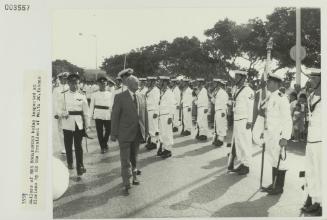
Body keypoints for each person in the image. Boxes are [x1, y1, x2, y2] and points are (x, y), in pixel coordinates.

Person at [110, 75, 148, 196]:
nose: (139, 85)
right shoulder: (120, 97)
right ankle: (126, 182)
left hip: (137, 133)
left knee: (134, 158)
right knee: (125, 159)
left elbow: (145, 116)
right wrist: (114, 133)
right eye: (136, 83)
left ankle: (134, 176)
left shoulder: (142, 96)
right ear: (129, 84)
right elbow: (115, 116)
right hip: (124, 134)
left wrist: (146, 132)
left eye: (138, 83)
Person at [258, 73, 292, 195]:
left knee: (280, 160)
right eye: (268, 82)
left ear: (277, 84)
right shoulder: (270, 97)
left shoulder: (282, 98)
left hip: (278, 135)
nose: (267, 84)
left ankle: (279, 187)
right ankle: (273, 183)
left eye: (270, 82)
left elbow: (287, 120)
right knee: (273, 159)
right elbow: (268, 117)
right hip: (270, 134)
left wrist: (285, 137)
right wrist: (264, 131)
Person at [57, 73, 90, 176]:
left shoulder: (82, 95)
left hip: (78, 123)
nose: (74, 85)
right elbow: (58, 109)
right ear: (68, 83)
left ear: (78, 84)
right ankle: (70, 162)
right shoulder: (63, 95)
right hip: (67, 123)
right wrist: (62, 113)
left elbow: (86, 112)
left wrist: (87, 125)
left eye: (76, 83)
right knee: (68, 144)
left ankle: (80, 166)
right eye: (72, 83)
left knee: (78, 146)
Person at [301, 68, 322, 216]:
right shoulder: (312, 96)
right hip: (311, 139)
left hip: (321, 140)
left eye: (314, 78)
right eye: (311, 78)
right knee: (311, 171)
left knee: (321, 173)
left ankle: (320, 204)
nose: (311, 81)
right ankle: (314, 198)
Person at [229, 70, 254, 175]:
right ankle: (241, 164)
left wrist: (250, 121)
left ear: (243, 78)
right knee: (239, 143)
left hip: (244, 120)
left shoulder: (248, 90)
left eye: (237, 76)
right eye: (235, 76)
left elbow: (251, 106)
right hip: (237, 118)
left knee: (245, 143)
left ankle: (246, 165)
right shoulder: (236, 89)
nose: (235, 78)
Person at [90, 77, 114, 154]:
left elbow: (112, 105)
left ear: (106, 84)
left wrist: (113, 114)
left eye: (104, 83)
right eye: (101, 83)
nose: (102, 85)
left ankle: (104, 142)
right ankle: (102, 147)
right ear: (98, 84)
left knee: (109, 130)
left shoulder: (110, 94)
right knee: (99, 132)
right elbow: (91, 106)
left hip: (107, 114)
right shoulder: (94, 94)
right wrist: (90, 117)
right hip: (98, 114)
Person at [157, 76, 175, 158]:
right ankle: (164, 148)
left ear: (165, 82)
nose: (160, 83)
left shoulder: (169, 92)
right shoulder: (162, 91)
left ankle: (168, 150)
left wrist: (170, 117)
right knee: (163, 133)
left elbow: (172, 105)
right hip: (162, 115)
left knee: (167, 133)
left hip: (167, 115)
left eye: (162, 81)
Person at [53, 72, 70, 155]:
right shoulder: (56, 89)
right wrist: (57, 113)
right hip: (60, 112)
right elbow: (55, 102)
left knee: (70, 130)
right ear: (60, 79)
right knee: (61, 131)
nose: (65, 80)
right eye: (63, 78)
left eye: (66, 78)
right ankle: (63, 148)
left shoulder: (69, 87)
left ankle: (71, 146)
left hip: (69, 112)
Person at [144, 76, 160, 150]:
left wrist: (156, 112)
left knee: (153, 127)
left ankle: (154, 143)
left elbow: (157, 102)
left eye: (149, 81)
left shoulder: (156, 90)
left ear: (153, 82)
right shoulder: (149, 89)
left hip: (153, 110)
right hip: (148, 110)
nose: (147, 82)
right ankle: (150, 141)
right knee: (150, 127)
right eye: (147, 81)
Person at [212, 79, 229, 147]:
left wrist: (223, 111)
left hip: (221, 111)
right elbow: (214, 102)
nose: (214, 84)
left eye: (215, 83)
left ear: (218, 84)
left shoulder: (222, 92)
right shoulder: (217, 92)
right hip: (217, 110)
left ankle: (220, 140)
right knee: (217, 125)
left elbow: (224, 103)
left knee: (221, 125)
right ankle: (217, 139)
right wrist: (212, 96)